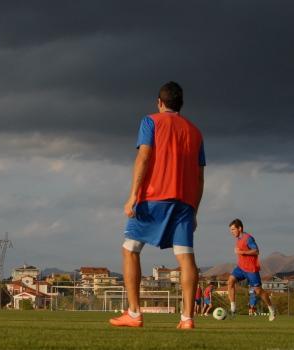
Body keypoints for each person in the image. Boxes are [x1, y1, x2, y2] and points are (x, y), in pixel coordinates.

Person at [109, 82, 205, 330]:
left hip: (153, 198)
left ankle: (133, 313)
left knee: (130, 250)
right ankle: (187, 319)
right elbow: (200, 176)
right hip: (184, 202)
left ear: (159, 102)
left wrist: (132, 196)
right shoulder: (195, 132)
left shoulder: (150, 121)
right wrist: (194, 210)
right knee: (186, 258)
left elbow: (144, 156)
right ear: (180, 104)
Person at [226, 219, 276, 321]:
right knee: (230, 281)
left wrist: (243, 252)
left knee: (258, 291)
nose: (231, 232)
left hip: (251, 270)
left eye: (233, 229)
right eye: (230, 230)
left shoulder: (248, 238)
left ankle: (271, 309)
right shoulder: (238, 239)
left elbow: (256, 251)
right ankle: (233, 308)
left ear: (240, 228)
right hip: (240, 268)